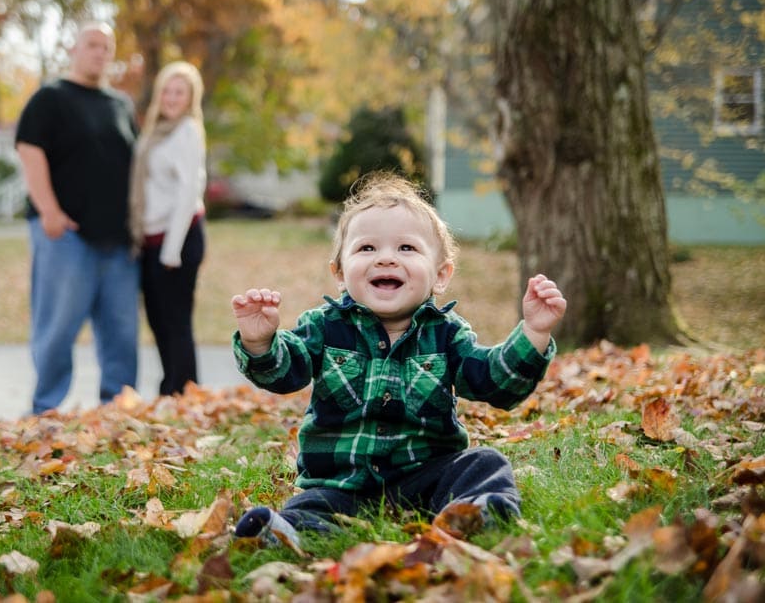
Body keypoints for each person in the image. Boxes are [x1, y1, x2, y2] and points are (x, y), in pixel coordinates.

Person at [230, 172, 566, 547]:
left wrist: (534, 334)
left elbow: (494, 382)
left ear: (440, 276)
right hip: (341, 485)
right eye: (367, 249)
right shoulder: (324, 328)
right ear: (340, 274)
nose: (386, 259)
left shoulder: (447, 334)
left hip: (424, 479)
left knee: (484, 463)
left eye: (406, 248)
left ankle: (477, 512)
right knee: (309, 505)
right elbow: (285, 373)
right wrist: (260, 342)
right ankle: (285, 531)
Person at [15, 21, 139, 415]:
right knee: (57, 328)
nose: (99, 52)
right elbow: (29, 150)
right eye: (92, 44)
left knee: (121, 332)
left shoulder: (120, 104)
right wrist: (49, 212)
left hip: (118, 241)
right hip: (66, 235)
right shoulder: (50, 98)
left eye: (107, 46)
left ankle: (117, 409)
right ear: (73, 49)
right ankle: (46, 410)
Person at [129, 61, 207, 396]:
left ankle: (184, 392)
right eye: (167, 90)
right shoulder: (156, 131)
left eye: (180, 92)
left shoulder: (187, 131)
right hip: (151, 240)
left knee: (175, 322)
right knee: (159, 321)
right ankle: (170, 388)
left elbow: (188, 192)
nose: (172, 98)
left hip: (176, 240)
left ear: (190, 99)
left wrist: (171, 250)